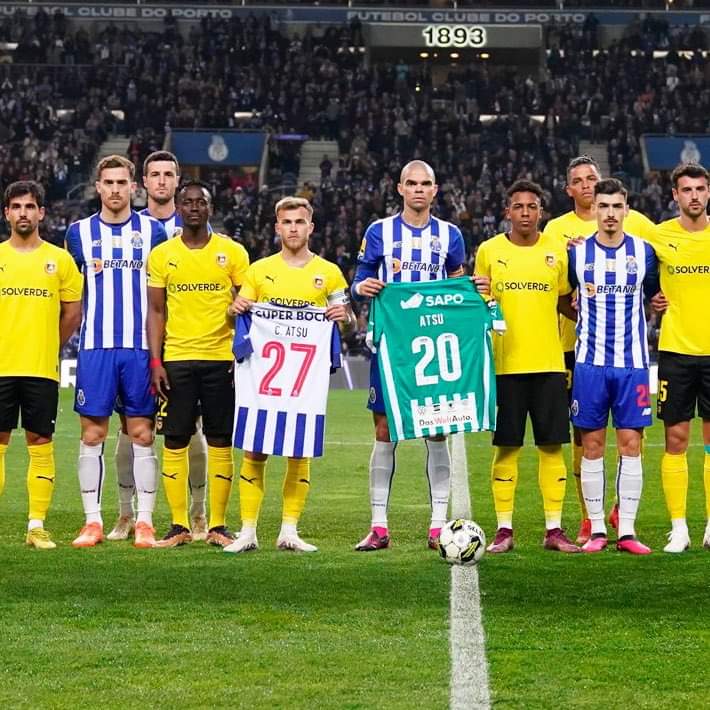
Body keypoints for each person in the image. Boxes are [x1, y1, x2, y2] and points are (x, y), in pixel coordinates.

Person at [224, 196, 353, 554]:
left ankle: (289, 531)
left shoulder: (328, 273)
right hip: (263, 378)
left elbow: (350, 317)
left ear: (310, 227)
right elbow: (241, 313)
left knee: (299, 453)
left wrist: (345, 316)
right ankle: (247, 531)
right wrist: (235, 309)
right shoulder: (258, 271)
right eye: (287, 222)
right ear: (277, 227)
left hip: (305, 380)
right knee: (255, 449)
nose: (293, 228)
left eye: (300, 222)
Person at [350, 160, 467, 552]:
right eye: (412, 183)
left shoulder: (450, 236)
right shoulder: (379, 232)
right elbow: (358, 279)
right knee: (384, 432)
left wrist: (473, 291)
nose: (419, 189)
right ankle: (379, 526)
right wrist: (362, 286)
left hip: (432, 350)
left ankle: (437, 526)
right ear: (399, 188)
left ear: (436, 190)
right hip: (390, 348)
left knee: (437, 431)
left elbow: (458, 287)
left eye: (426, 184)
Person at [543, 155, 656, 544]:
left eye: (616, 206)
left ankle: (627, 530)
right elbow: (561, 297)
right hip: (589, 363)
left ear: (627, 209)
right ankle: (597, 529)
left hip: (633, 365)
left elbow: (657, 295)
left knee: (631, 445)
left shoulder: (645, 253)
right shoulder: (576, 255)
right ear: (595, 211)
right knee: (591, 445)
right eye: (603, 206)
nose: (609, 213)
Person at [65, 155, 167, 549]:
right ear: (98, 187)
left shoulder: (154, 232)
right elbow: (73, 293)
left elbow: (161, 296)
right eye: (108, 183)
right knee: (93, 433)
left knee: (142, 433)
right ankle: (92, 522)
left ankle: (144, 521)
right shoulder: (78, 233)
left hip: (140, 349)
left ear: (133, 187)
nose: (114, 190)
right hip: (96, 347)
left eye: (121, 183)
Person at [108, 150, 210, 543]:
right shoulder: (128, 228)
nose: (162, 181)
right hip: (136, 343)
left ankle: (198, 514)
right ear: (144, 183)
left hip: (187, 344)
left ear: (178, 181)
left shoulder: (196, 226)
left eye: (170, 174)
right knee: (131, 427)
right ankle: (125, 514)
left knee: (193, 429)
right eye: (155, 175)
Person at [475, 179, 579, 554]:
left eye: (531, 207)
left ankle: (554, 529)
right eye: (517, 207)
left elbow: (568, 301)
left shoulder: (557, 252)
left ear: (541, 212)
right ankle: (504, 529)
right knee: (507, 446)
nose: (525, 213)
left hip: (550, 363)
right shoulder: (489, 251)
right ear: (507, 212)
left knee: (552, 445)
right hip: (505, 366)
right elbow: (479, 303)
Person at [147, 181, 249, 548]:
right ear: (177, 206)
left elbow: (247, 305)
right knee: (175, 438)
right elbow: (156, 311)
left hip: (220, 359)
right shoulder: (162, 255)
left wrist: (242, 350)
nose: (193, 208)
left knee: (221, 439)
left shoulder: (233, 253)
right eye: (187, 202)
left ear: (211, 208)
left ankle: (218, 526)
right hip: (176, 359)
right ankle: (179, 525)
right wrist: (156, 360)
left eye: (200, 202)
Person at [0, 181, 82, 549]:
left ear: (41, 213)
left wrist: (51, 344)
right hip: (1, 368)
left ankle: (37, 525)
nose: (23, 213)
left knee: (40, 442)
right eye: (16, 206)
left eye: (30, 206)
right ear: (6, 213)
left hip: (40, 369)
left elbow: (72, 312)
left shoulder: (60, 260)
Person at [646, 162, 710, 553]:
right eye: (687, 190)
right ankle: (679, 528)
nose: (694, 196)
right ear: (675, 195)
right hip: (675, 351)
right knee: (676, 438)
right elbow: (622, 248)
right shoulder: (659, 236)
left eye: (700, 189)